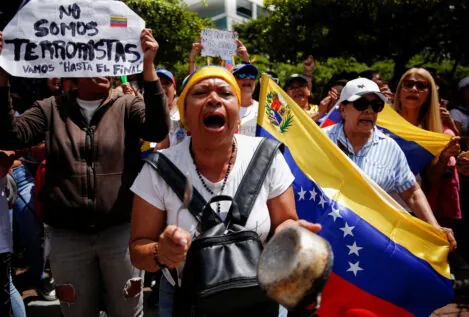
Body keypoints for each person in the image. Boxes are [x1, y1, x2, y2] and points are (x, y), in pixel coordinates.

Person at [0, 28, 169, 317]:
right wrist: (2, 74)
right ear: (74, 69)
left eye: (107, 62)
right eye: (94, 61)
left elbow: (157, 129)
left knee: (127, 312)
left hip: (120, 233)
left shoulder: (127, 105)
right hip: (68, 239)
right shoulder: (50, 109)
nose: (103, 68)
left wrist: (149, 65)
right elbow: (10, 135)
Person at [129, 66, 321, 317]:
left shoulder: (268, 155)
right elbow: (137, 250)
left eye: (225, 92)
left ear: (238, 114)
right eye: (200, 93)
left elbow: (284, 221)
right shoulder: (158, 169)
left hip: (262, 299)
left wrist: (291, 235)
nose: (213, 99)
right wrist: (161, 253)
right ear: (185, 113)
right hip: (188, 301)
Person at [323, 77, 456, 250]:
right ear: (342, 109)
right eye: (361, 104)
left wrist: (435, 228)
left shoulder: (390, 147)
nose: (369, 111)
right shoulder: (321, 140)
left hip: (369, 242)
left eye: (376, 106)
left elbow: (412, 192)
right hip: (326, 234)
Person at [392, 68, 461, 228]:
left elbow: (431, 180)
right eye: (408, 84)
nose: (413, 89)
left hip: (411, 211)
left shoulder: (434, 132)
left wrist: (443, 158)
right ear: (399, 90)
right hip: (377, 203)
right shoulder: (380, 122)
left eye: (421, 86)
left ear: (429, 94)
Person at [232, 63, 259, 136]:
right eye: (242, 74)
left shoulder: (263, 110)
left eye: (252, 75)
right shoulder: (225, 107)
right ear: (233, 80)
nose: (247, 78)